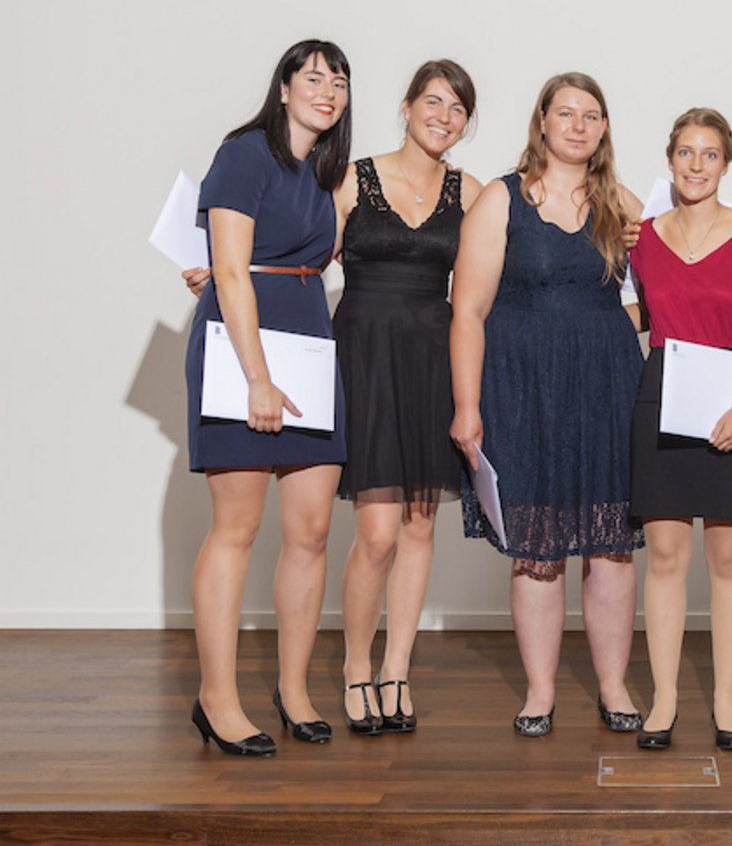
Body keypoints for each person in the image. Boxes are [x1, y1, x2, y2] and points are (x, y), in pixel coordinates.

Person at [449, 72, 645, 737]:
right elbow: (468, 311)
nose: (579, 125)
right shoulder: (500, 201)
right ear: (543, 122)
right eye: (566, 113)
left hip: (608, 387)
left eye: (592, 114)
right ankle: (539, 691)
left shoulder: (624, 204)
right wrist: (467, 404)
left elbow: (661, 296)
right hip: (523, 389)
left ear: (604, 128)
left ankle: (615, 685)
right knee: (537, 547)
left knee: (611, 546)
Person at [183, 39, 352, 756]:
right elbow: (229, 266)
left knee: (311, 530)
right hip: (244, 350)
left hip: (309, 345)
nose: (328, 90)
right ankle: (216, 699)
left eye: (339, 81)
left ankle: (293, 687)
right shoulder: (244, 154)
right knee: (238, 527)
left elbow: (317, 257)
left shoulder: (329, 173)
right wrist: (256, 377)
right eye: (313, 76)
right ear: (282, 86)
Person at [331, 60, 483, 735]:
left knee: (421, 523)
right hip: (364, 354)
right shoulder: (350, 177)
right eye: (434, 101)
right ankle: (355, 667)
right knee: (377, 531)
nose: (444, 116)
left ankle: (397, 667)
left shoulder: (471, 191)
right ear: (406, 105)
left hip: (432, 355)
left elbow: (517, 257)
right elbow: (300, 259)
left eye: (457, 109)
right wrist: (220, 272)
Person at [629, 108, 732, 751]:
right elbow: (636, 316)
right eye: (686, 153)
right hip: (663, 397)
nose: (697, 165)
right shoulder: (640, 239)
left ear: (727, 163)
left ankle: (725, 703)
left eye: (711, 154)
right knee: (665, 558)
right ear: (669, 161)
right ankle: (664, 701)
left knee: (727, 559)